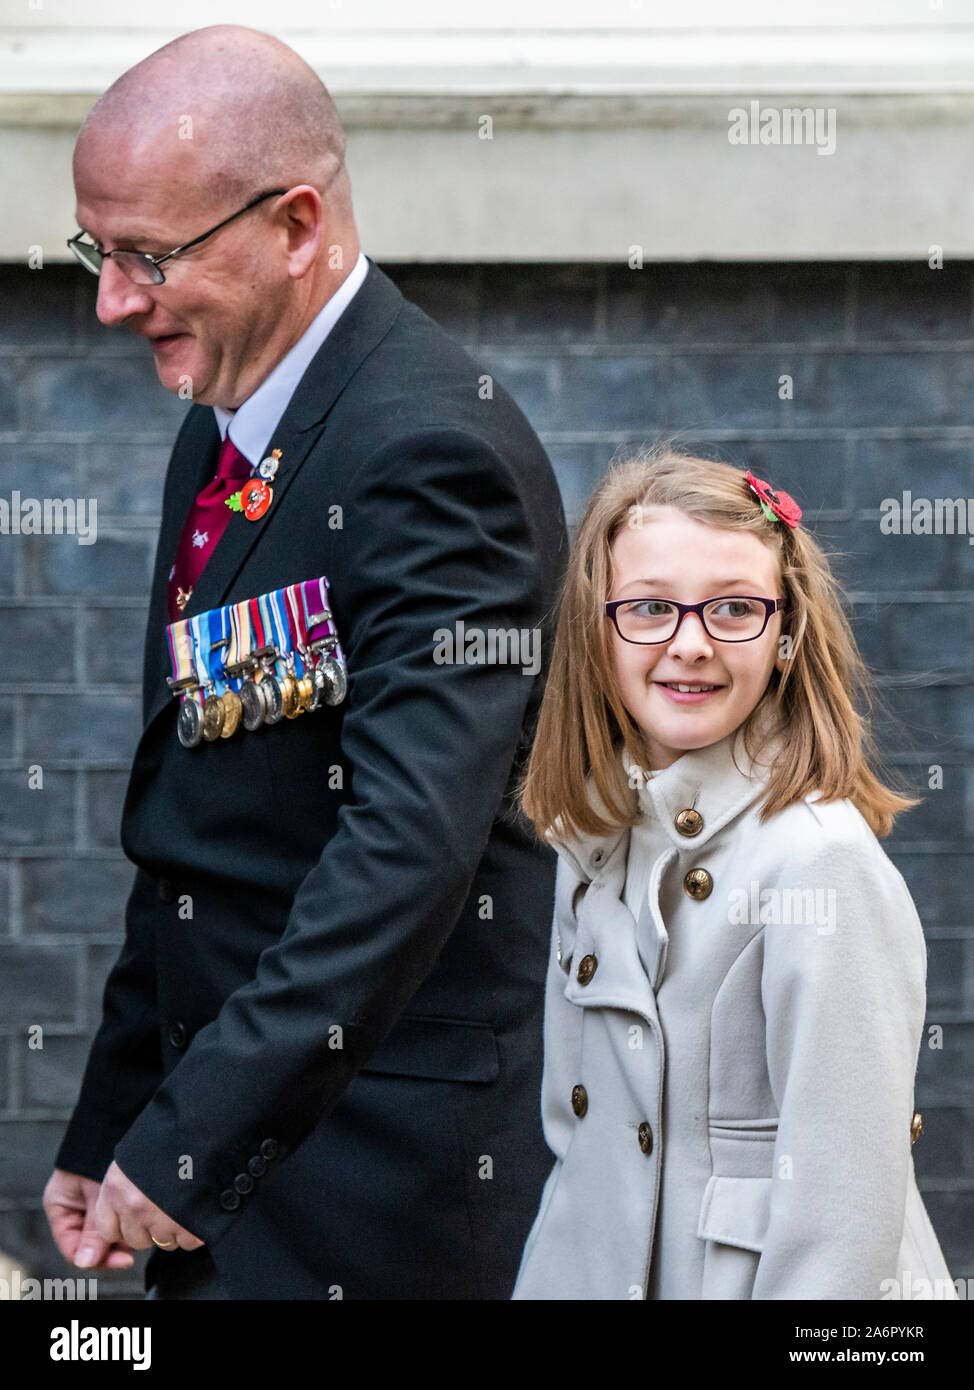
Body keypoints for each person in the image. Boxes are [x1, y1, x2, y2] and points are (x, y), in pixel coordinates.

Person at [42, 24, 567, 1300]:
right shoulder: (226, 416)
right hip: (221, 1151)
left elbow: (405, 848)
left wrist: (192, 1135)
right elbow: (201, 825)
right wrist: (121, 1112)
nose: (112, 301)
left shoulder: (429, 454)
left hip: (370, 1184)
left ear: (293, 223)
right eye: (95, 252)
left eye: (148, 257)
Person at [511, 446, 958, 1300]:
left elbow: (842, 1230)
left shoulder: (819, 861)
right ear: (596, 631)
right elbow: (581, 1160)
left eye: (734, 610)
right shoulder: (593, 839)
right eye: (648, 608)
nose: (690, 645)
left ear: (785, 636)